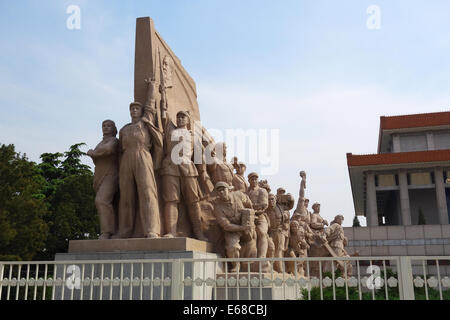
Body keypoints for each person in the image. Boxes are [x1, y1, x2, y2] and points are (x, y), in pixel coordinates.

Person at [117, 79, 163, 238]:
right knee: (126, 196)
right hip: (126, 158)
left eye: (137, 108)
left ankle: (152, 230)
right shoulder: (124, 129)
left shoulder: (145, 123)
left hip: (143, 155)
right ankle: (125, 230)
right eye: (132, 108)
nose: (134, 111)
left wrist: (152, 86)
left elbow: (150, 105)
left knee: (147, 193)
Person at [159, 92, 208, 240]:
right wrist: (162, 94)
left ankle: (198, 232)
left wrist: (204, 172)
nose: (180, 119)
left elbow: (200, 156)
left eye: (183, 117)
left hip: (188, 168)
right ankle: (171, 232)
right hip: (170, 167)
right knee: (171, 200)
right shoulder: (170, 129)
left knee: (193, 202)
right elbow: (163, 111)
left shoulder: (193, 135)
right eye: (178, 116)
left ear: (188, 120)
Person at [213, 182, 257, 272]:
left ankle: (254, 262)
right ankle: (236, 265)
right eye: (219, 191)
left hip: (245, 223)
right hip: (232, 230)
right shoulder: (218, 207)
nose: (221, 192)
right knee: (232, 247)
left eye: (223, 189)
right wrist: (241, 228)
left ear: (228, 190)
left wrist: (251, 213)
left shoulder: (239, 195)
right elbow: (226, 225)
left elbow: (248, 202)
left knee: (253, 238)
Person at [87, 120, 119, 239]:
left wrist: (93, 153)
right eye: (104, 126)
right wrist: (95, 154)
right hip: (99, 176)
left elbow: (107, 150)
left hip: (111, 175)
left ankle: (107, 231)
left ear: (113, 128)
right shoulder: (100, 143)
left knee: (101, 201)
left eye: (109, 126)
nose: (106, 128)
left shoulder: (114, 141)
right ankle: (114, 230)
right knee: (107, 203)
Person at [266, 193, 290, 272]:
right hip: (269, 232)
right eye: (269, 199)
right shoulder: (265, 209)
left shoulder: (281, 207)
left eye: (272, 199)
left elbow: (291, 205)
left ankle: (279, 268)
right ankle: (270, 267)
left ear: (275, 199)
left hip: (279, 231)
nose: (271, 201)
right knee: (270, 249)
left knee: (279, 250)